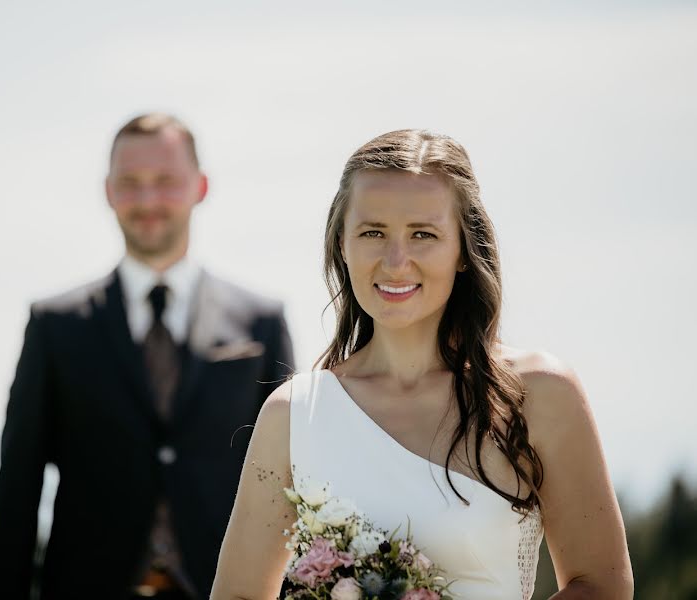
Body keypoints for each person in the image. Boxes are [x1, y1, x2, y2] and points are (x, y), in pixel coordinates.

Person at [211, 129, 633, 599]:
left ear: (462, 251)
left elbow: (601, 585)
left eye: (423, 235)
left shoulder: (537, 394)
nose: (396, 261)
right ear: (341, 246)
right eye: (373, 232)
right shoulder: (293, 414)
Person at [0, 113, 294, 599]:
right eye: (130, 183)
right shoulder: (55, 327)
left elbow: (289, 484)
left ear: (201, 186)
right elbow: (18, 488)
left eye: (166, 181)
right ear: (108, 190)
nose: (148, 200)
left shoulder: (261, 323)